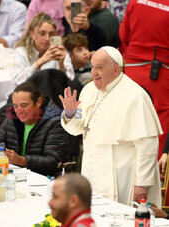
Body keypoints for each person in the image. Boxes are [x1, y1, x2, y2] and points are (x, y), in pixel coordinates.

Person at [60, 46, 162, 206]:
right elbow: (76, 128)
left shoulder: (134, 95)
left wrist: (142, 184)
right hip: (92, 168)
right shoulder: (88, 90)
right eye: (92, 66)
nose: (93, 72)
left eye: (99, 68)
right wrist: (71, 113)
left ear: (115, 69)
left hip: (123, 173)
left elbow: (147, 145)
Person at [119, 0, 169, 174]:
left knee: (127, 121)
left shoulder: (135, 1)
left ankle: (125, 176)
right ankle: (156, 181)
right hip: (162, 72)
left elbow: (123, 35)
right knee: (160, 127)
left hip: (133, 69)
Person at [0, 82, 71, 176]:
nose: (19, 111)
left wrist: (20, 160)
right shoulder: (13, 117)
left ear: (38, 102)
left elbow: (53, 162)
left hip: (45, 181)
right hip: (16, 176)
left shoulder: (55, 121)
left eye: (24, 105)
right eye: (15, 106)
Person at [11, 12, 75, 87]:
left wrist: (61, 65)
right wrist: (39, 63)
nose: (47, 38)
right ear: (32, 34)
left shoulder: (59, 52)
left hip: (52, 94)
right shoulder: (21, 52)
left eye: (51, 34)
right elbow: (18, 81)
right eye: (42, 34)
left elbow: (69, 82)